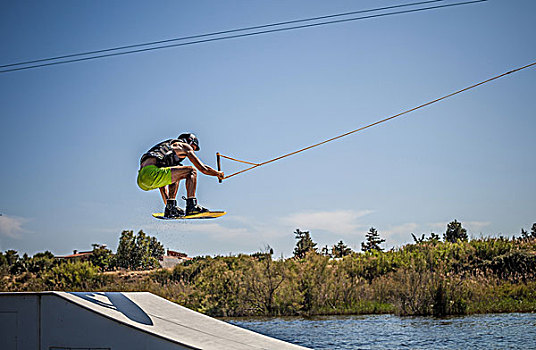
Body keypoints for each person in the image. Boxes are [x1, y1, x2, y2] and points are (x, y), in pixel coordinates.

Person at [137, 133, 224, 217]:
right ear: (189, 141)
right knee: (191, 171)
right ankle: (192, 206)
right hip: (152, 173)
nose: (193, 150)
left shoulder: (167, 149)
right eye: (193, 147)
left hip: (142, 180)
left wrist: (168, 205)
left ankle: (170, 207)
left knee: (177, 169)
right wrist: (217, 173)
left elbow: (162, 186)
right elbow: (203, 168)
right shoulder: (183, 146)